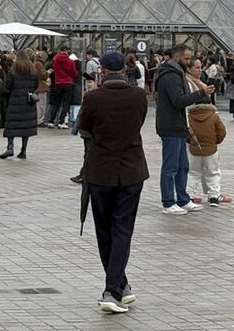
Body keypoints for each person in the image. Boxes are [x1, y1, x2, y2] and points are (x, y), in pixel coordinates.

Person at [76, 50, 149, 314]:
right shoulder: (139, 96)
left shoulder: (93, 97)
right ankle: (121, 285)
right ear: (124, 70)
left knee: (104, 230)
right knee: (122, 230)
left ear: (103, 70)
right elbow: (138, 123)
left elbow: (84, 128)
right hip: (131, 170)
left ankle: (112, 290)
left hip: (100, 171)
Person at [153, 44, 211, 214]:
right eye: (186, 58)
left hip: (178, 125)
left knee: (182, 166)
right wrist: (201, 93)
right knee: (171, 167)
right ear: (177, 57)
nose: (188, 61)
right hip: (170, 125)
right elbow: (178, 100)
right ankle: (168, 202)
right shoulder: (171, 75)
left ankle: (182, 199)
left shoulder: (177, 73)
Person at [0, 50, 39, 159]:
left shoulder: (13, 70)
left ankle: (10, 147)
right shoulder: (33, 70)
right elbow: (36, 85)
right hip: (28, 102)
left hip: (15, 102)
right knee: (26, 127)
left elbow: (8, 86)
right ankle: (23, 150)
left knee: (11, 126)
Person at [48, 46, 77, 128]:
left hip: (58, 83)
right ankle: (61, 122)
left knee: (56, 103)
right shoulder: (70, 61)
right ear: (67, 51)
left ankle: (51, 121)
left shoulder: (55, 60)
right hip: (68, 83)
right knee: (65, 103)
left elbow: (53, 69)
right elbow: (74, 73)